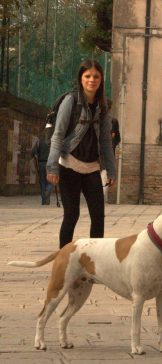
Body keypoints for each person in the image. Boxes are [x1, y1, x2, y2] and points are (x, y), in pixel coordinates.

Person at [46, 59, 116, 248]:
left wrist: (110, 170)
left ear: (101, 79)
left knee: (98, 217)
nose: (91, 80)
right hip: (69, 165)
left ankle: (95, 260)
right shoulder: (71, 100)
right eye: (87, 76)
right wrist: (52, 166)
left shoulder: (103, 106)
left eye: (96, 76)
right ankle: (64, 259)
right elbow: (58, 135)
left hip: (92, 167)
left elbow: (105, 141)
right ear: (81, 78)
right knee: (72, 215)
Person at [101, 99, 121, 200]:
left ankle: (99, 198)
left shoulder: (111, 121)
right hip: (105, 154)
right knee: (104, 176)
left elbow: (113, 137)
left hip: (101, 154)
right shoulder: (112, 121)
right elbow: (116, 139)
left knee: (103, 175)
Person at [32, 132, 53, 205]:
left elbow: (33, 152)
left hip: (41, 163)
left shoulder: (39, 142)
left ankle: (44, 200)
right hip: (50, 164)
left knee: (42, 182)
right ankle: (47, 193)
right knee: (50, 181)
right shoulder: (52, 143)